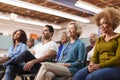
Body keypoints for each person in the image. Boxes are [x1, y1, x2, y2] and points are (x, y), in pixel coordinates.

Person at [73, 7, 120, 80]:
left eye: (104, 23)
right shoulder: (100, 39)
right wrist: (91, 64)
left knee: (91, 78)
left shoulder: (119, 38)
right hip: (99, 65)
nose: (101, 26)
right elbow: (95, 56)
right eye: (100, 24)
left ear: (112, 23)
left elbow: (118, 59)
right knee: (78, 76)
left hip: (115, 67)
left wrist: (100, 66)